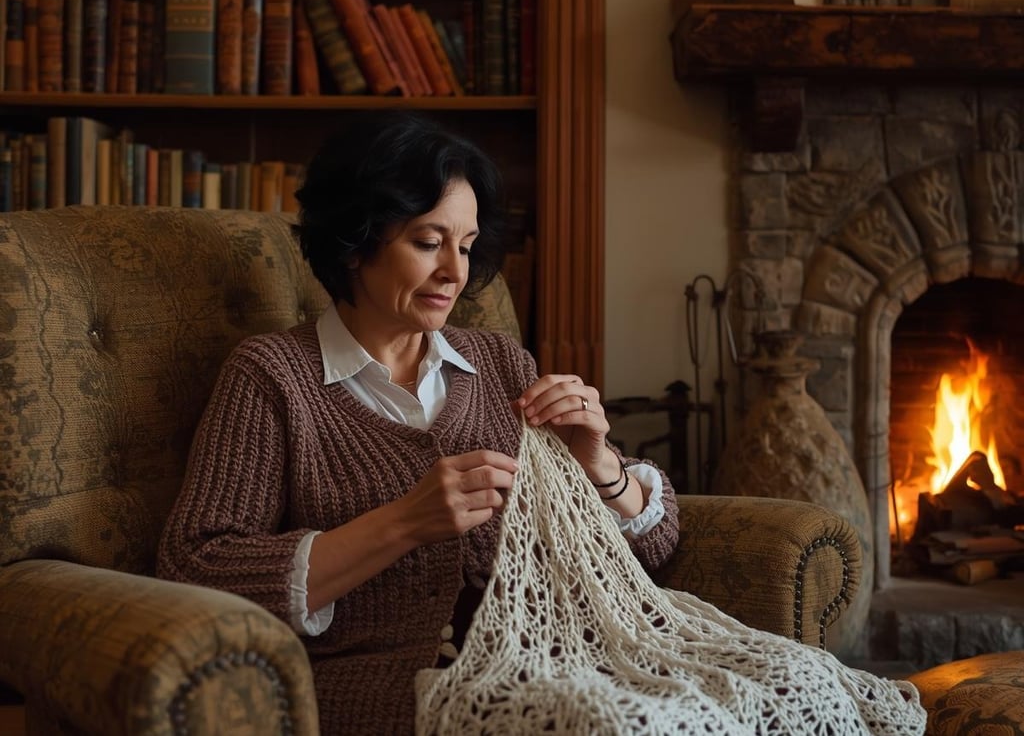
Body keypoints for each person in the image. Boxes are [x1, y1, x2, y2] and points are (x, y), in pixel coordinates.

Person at [156, 111, 679, 735]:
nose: (456, 273)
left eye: (465, 246)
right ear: (356, 241)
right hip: (381, 688)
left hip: (562, 661)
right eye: (428, 243)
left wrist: (600, 465)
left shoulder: (501, 363)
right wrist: (404, 522)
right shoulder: (272, 377)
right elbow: (196, 567)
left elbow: (655, 547)